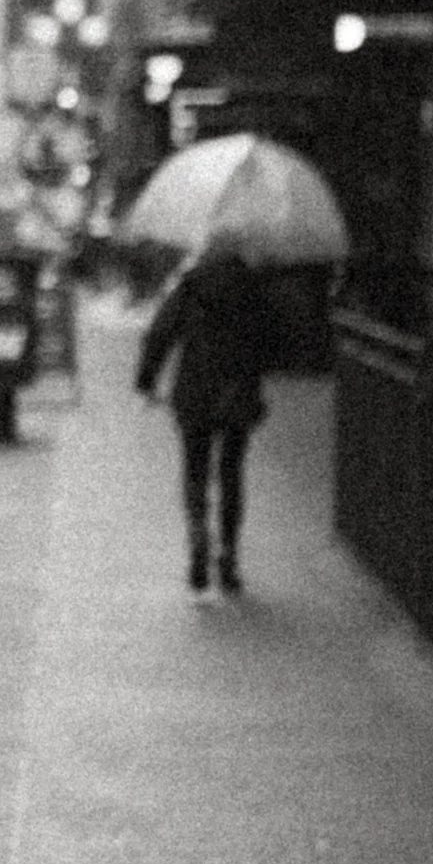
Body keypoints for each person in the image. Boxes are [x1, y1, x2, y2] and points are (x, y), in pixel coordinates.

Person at [137, 230, 281, 593]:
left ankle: (199, 537)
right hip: (238, 393)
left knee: (195, 468)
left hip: (195, 391)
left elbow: (161, 332)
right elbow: (276, 341)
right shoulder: (254, 288)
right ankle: (228, 555)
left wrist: (146, 378)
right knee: (232, 473)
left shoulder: (191, 285)